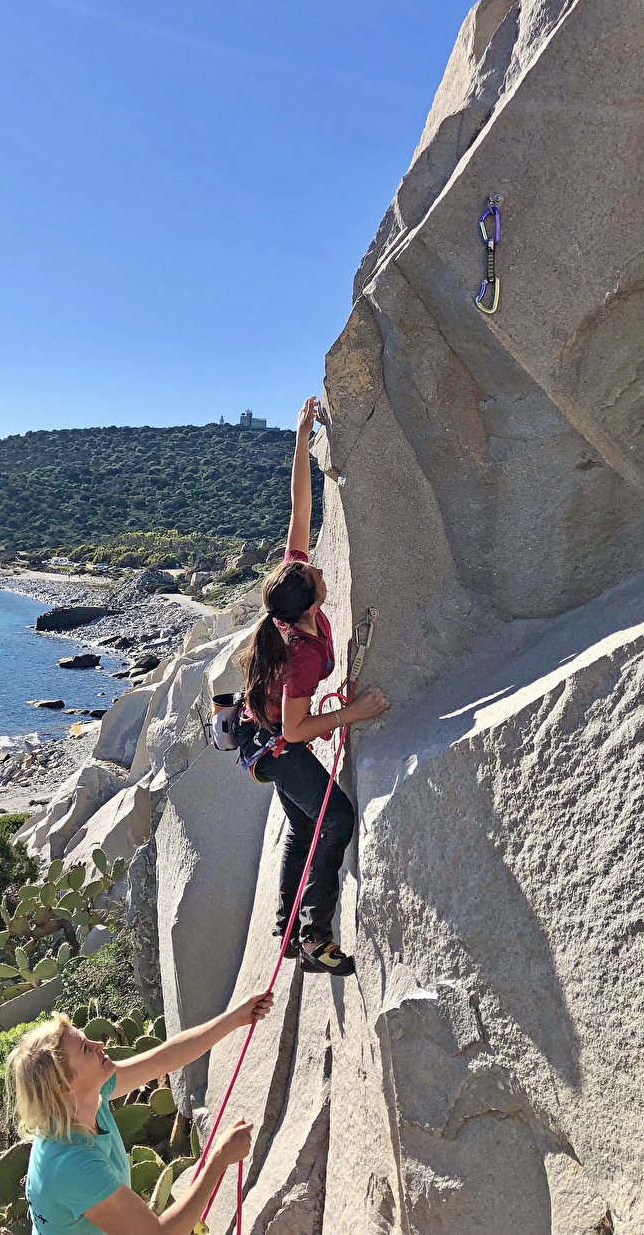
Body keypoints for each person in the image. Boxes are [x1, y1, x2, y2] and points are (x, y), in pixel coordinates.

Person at [238, 395, 389, 976]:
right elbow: (298, 727)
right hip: (278, 746)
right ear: (307, 608)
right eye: (314, 572)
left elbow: (301, 506)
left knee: (303, 821)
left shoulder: (290, 601)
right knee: (336, 819)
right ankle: (312, 936)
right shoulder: (299, 655)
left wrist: (302, 436)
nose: (320, 564)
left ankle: (283, 925)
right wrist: (358, 711)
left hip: (268, 737)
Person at [10, 991, 274, 1235]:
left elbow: (163, 1059)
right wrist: (218, 1160)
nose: (98, 1044)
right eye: (85, 1049)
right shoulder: (72, 1165)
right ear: (64, 1085)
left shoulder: (87, 1097)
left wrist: (233, 1019)